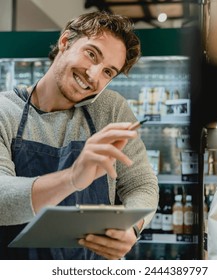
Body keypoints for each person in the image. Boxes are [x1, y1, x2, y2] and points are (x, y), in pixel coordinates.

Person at [0, 11, 159, 260]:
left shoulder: (111, 109)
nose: (94, 76)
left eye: (108, 72)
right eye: (91, 54)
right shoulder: (4, 111)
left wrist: (132, 226)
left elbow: (141, 184)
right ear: (65, 42)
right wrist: (73, 177)